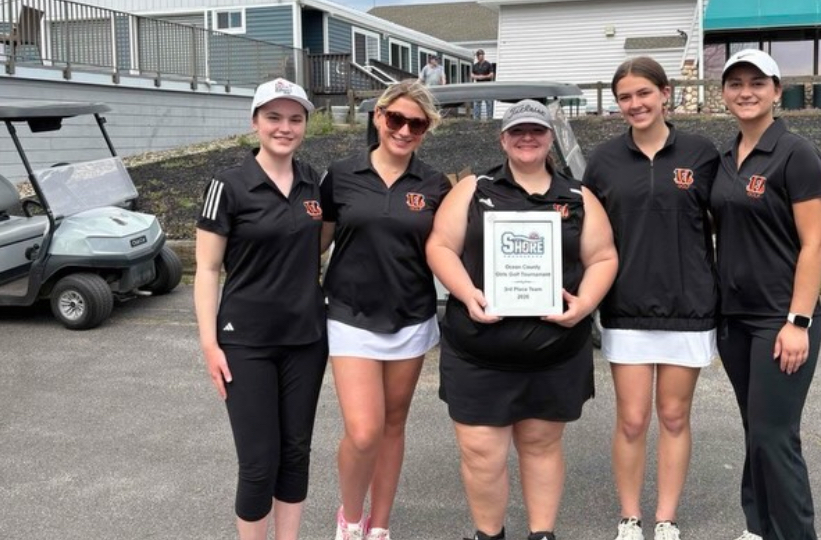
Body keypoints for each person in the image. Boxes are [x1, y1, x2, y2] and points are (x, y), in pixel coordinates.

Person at [427, 99, 618, 540]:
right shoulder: (474, 189)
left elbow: (604, 256)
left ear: (550, 138)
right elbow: (439, 246)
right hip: (478, 351)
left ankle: (541, 534)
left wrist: (584, 304)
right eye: (517, 132)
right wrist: (466, 293)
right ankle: (488, 534)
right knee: (481, 452)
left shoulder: (576, 197)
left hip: (552, 352)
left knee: (541, 446)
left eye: (536, 131)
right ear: (503, 139)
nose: (527, 138)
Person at [582, 57, 720, 540]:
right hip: (627, 307)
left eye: (644, 93)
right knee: (634, 418)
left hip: (690, 307)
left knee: (675, 416)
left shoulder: (702, 154)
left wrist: (813, 196)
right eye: (625, 97)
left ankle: (665, 518)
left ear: (666, 93)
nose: (635, 104)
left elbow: (742, 207)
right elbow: (579, 227)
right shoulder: (603, 161)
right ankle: (629, 517)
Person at [193, 78, 328, 540]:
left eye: (294, 118)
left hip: (307, 340)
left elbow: (321, 242)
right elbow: (207, 270)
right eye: (273, 117)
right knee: (257, 461)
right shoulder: (227, 185)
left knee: (295, 452)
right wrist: (210, 344)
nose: (284, 127)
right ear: (255, 123)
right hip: (245, 341)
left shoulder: (315, 181)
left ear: (305, 125)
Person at [321, 80, 451, 540]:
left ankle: (380, 526)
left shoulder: (435, 184)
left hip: (410, 317)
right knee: (364, 431)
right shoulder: (340, 174)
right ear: (378, 117)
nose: (403, 130)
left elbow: (452, 248)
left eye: (416, 124)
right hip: (350, 317)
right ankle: (350, 519)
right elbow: (318, 243)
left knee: (393, 426)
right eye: (395, 119)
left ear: (426, 129)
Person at [712, 49, 821, 540]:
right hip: (733, 319)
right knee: (755, 431)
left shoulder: (795, 152)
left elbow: (815, 242)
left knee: (775, 435)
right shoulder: (722, 159)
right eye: (735, 83)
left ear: (777, 91)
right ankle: (758, 526)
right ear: (723, 94)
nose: (746, 92)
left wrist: (797, 321)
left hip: (780, 320)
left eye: (757, 83)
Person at [471, 49, 495, 119]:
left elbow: (491, 75)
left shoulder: (488, 64)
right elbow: (472, 75)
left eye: (481, 55)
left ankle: (489, 118)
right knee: (477, 103)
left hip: (487, 86)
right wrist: (478, 77)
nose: (480, 57)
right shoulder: (475, 66)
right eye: (479, 56)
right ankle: (477, 119)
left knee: (489, 103)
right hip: (478, 87)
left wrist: (483, 77)